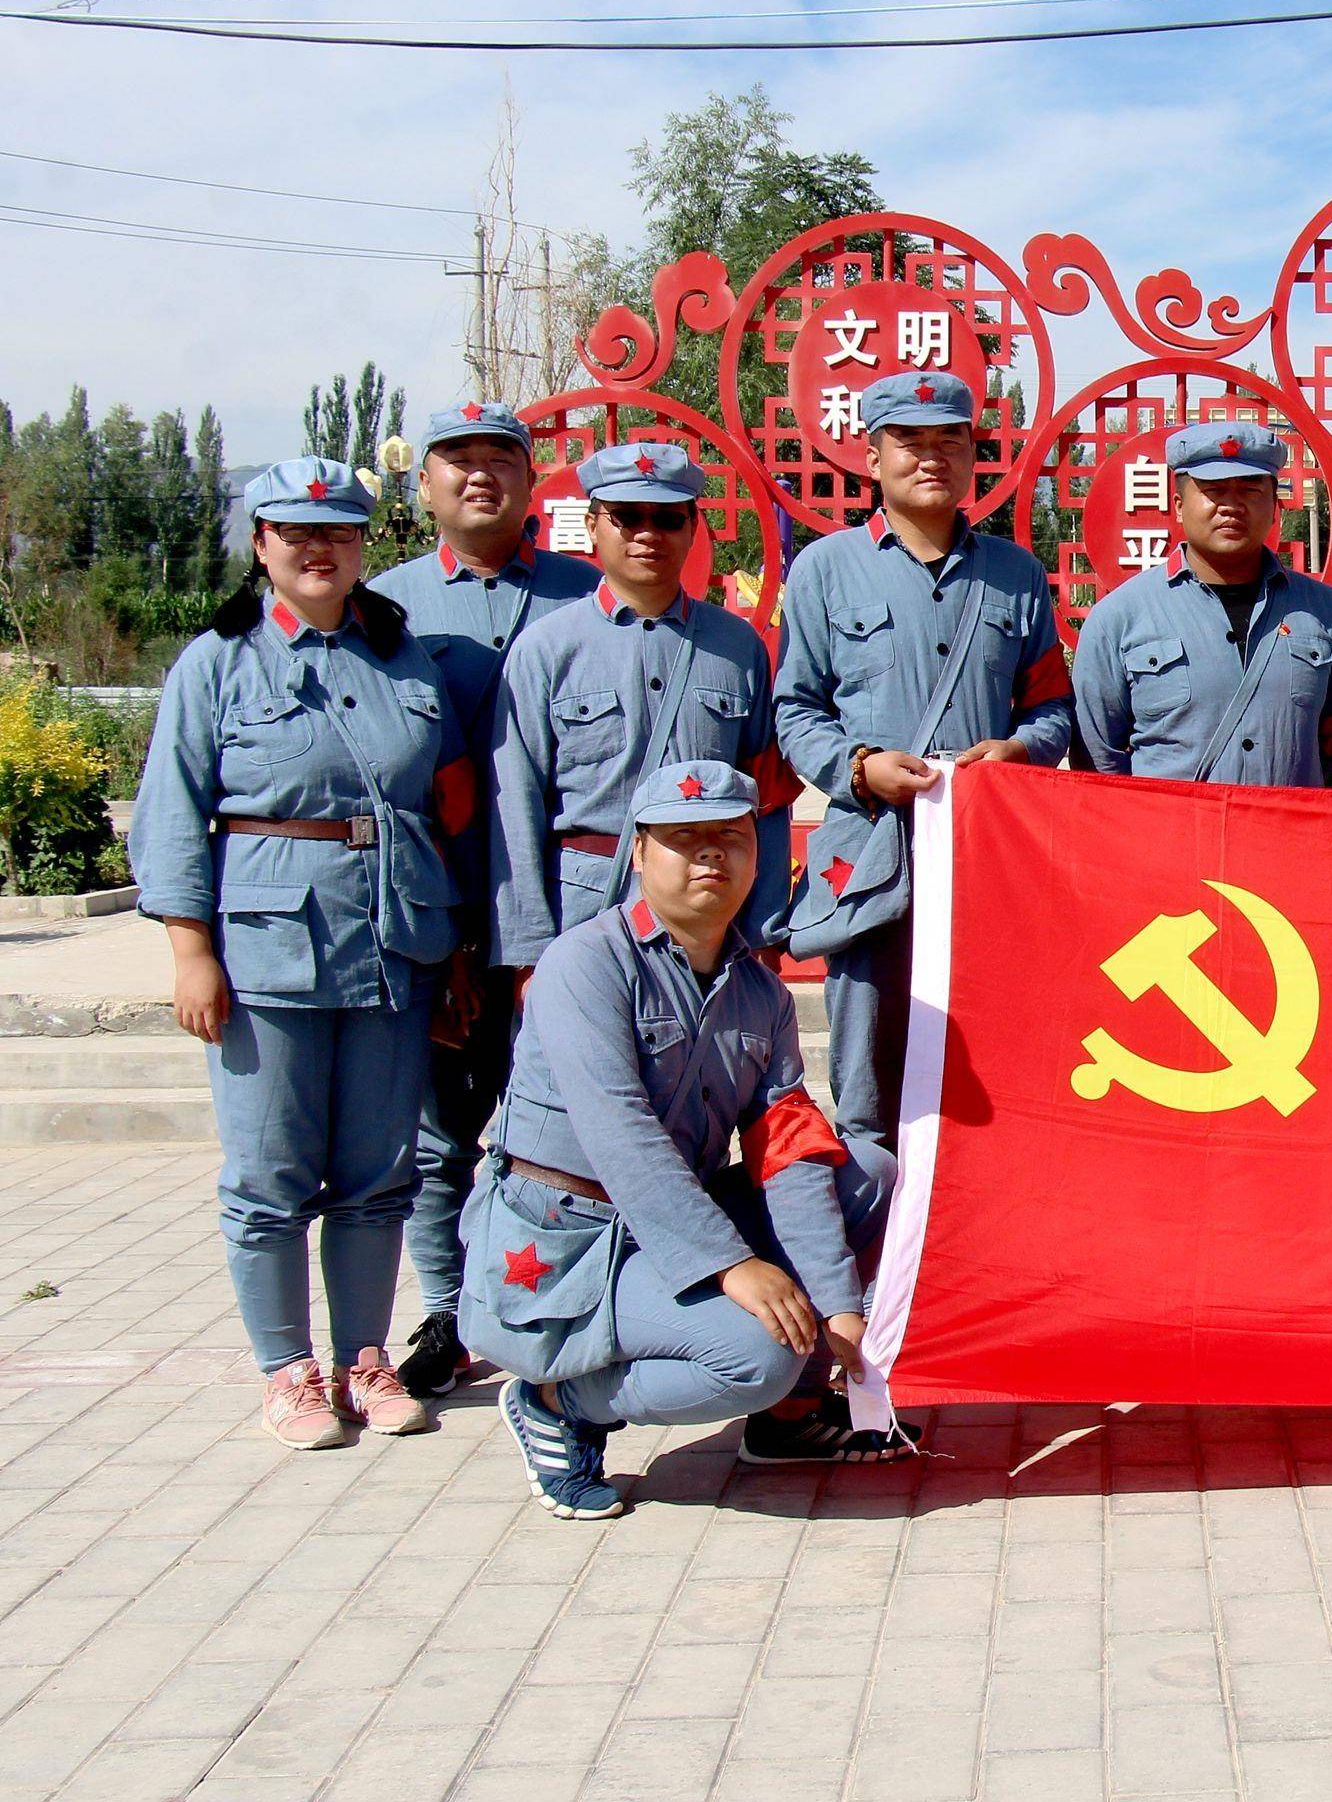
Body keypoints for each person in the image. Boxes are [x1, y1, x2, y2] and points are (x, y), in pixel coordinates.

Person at [131, 458, 474, 1449]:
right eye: (296, 532)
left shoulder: (402, 657)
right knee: (271, 1173)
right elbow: (171, 816)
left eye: (340, 532)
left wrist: (448, 951)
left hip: (394, 941)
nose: (319, 548)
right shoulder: (219, 662)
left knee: (378, 1168)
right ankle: (289, 1368)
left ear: (366, 545)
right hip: (270, 949)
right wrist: (190, 950)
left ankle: (363, 1355)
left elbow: (437, 808)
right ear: (262, 546)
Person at [462, 761, 902, 1520]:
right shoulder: (585, 965)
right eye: (684, 840)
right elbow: (622, 1138)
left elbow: (788, 1145)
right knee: (757, 1353)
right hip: (569, 1248)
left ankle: (787, 1420)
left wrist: (839, 1302)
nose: (709, 856)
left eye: (729, 838)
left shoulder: (758, 991)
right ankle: (557, 1401)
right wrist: (734, 1267)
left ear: (757, 855)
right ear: (639, 853)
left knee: (864, 1170)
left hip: (667, 1225)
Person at [773, 369, 1074, 1161]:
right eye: (909, 441)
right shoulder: (825, 570)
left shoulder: (1014, 575)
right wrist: (858, 766)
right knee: (868, 1084)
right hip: (869, 864)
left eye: (951, 441)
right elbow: (794, 711)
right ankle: (876, 1267)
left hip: (983, 868)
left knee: (992, 1079)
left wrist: (1019, 751)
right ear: (872, 457)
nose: (931, 457)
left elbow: (1053, 708)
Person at [366, 399, 596, 1400]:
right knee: (442, 1126)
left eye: (500, 459)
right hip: (443, 906)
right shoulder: (381, 609)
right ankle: (448, 1309)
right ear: (424, 485)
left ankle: (584, 1294)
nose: (478, 476)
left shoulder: (591, 593)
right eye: (455, 461)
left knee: (584, 1116)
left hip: (576, 904)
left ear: (531, 479)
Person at [486, 441, 795, 975]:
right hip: (584, 904)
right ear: (592, 525)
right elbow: (514, 804)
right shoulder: (547, 649)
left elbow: (765, 796)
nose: (648, 533)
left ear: (693, 528)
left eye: (668, 518)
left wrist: (763, 928)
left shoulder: (737, 645)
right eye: (626, 517)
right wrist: (529, 954)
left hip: (708, 913)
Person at [1072, 420, 1332, 785]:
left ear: (1275, 506)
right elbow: (1097, 760)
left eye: (1250, 490)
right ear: (1178, 505)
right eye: (1214, 490)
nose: (1232, 506)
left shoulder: (1326, 613)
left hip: (1286, 835)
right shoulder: (1120, 617)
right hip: (1169, 837)